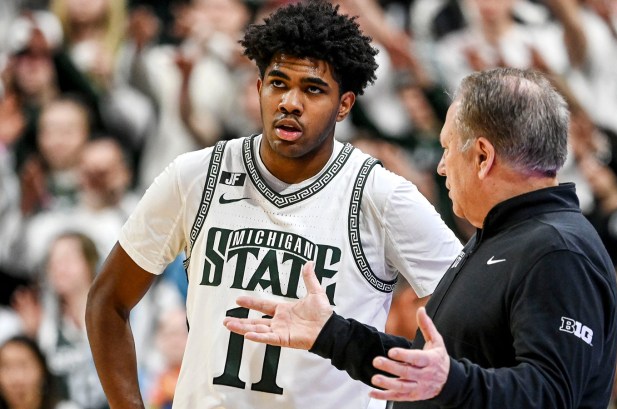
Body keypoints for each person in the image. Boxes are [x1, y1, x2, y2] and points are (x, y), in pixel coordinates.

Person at [85, 2, 462, 409]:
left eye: (312, 89)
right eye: (278, 83)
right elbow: (108, 301)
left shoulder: (381, 195)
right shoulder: (195, 176)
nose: (290, 102)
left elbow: (474, 311)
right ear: (259, 85)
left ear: (345, 104)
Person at [225, 67, 617, 408]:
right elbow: (428, 369)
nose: (443, 167)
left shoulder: (557, 252)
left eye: (447, 148)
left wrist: (450, 382)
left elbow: (551, 397)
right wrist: (331, 334)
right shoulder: (504, 238)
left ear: (483, 157)